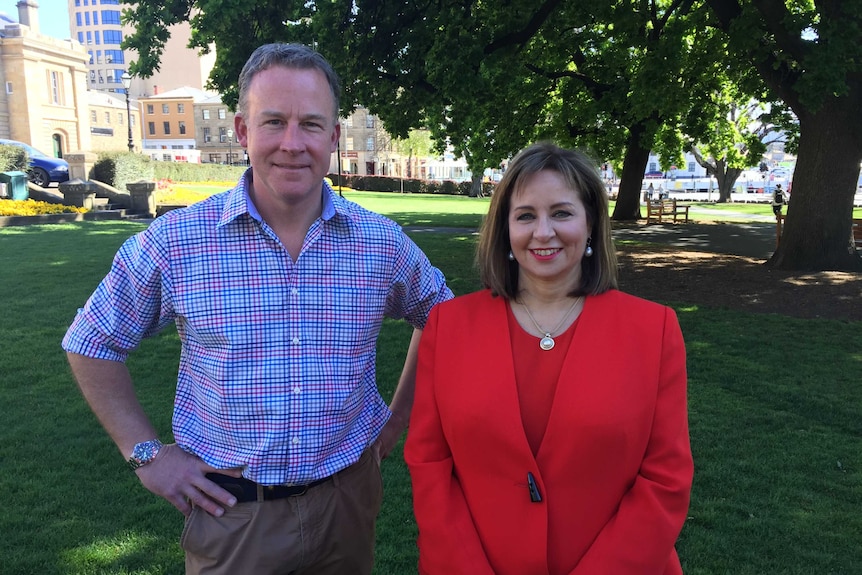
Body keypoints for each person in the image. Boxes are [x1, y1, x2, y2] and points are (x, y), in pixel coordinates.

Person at [62, 43, 452, 575]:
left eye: (311, 125)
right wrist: (146, 454)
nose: (292, 144)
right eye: (274, 122)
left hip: (346, 502)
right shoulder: (176, 242)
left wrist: (398, 416)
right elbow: (91, 341)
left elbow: (443, 320)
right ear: (243, 131)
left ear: (333, 138)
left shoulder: (379, 243)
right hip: (232, 517)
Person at [404, 142, 693, 574]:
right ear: (505, 228)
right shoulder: (449, 327)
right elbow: (430, 466)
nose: (543, 232)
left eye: (561, 213)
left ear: (591, 223)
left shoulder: (654, 331)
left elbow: (665, 480)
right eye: (525, 215)